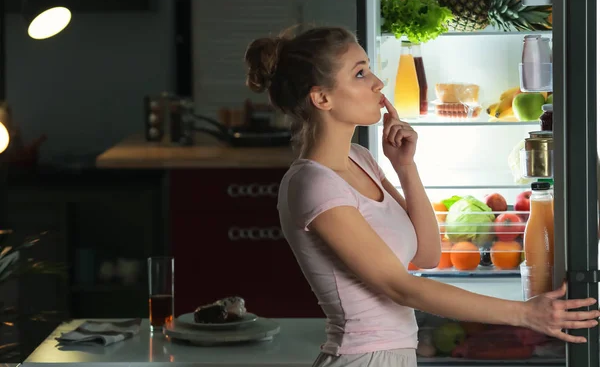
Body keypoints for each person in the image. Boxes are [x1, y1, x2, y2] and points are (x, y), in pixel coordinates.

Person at [244, 26, 599, 367]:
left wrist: (405, 168)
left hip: (393, 356)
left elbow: (427, 254)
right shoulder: (313, 183)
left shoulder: (360, 160)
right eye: (360, 74)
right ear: (322, 98)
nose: (378, 84)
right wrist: (524, 314)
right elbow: (401, 288)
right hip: (363, 358)